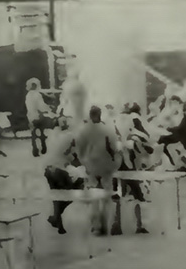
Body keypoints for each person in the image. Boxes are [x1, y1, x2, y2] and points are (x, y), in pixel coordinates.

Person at [42, 106, 134, 236]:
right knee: (106, 196)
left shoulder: (83, 131)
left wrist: (84, 163)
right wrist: (114, 163)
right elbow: (113, 149)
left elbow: (79, 151)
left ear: (90, 116)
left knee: (93, 196)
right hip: (105, 167)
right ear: (100, 115)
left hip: (91, 167)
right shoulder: (107, 130)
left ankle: (95, 226)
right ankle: (105, 224)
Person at [25, 78, 55, 157]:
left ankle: (35, 150)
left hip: (31, 116)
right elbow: (41, 106)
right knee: (41, 132)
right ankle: (43, 148)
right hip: (38, 116)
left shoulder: (28, 95)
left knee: (33, 134)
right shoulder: (37, 95)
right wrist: (48, 109)